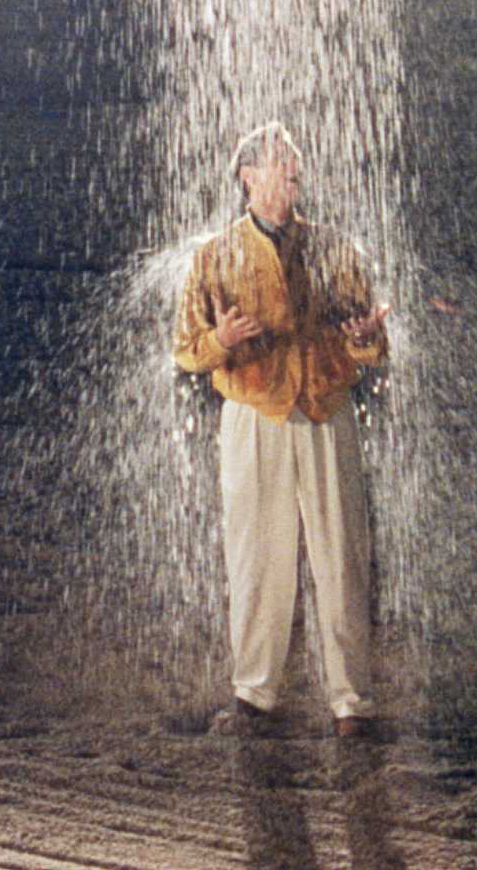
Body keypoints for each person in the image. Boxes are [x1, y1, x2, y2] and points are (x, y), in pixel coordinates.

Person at [173, 122, 389, 737]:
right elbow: (186, 350)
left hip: (325, 408)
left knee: (342, 553)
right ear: (248, 176)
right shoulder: (213, 256)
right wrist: (223, 340)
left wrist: (366, 339)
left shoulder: (332, 248)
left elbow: (372, 340)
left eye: (295, 164)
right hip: (254, 414)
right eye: (281, 164)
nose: (294, 173)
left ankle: (352, 703)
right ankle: (255, 695)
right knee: (257, 556)